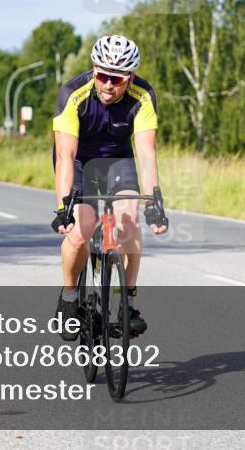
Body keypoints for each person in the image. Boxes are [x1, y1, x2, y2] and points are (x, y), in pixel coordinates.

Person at [49, 34, 168, 340]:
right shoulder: (72, 94)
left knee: (129, 223)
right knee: (81, 230)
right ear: (94, 70)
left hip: (118, 159)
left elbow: (146, 154)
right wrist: (64, 207)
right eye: (102, 76)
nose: (108, 85)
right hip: (79, 161)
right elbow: (65, 155)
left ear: (130, 78)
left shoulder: (143, 96)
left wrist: (154, 203)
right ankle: (70, 297)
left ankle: (128, 304)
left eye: (117, 79)